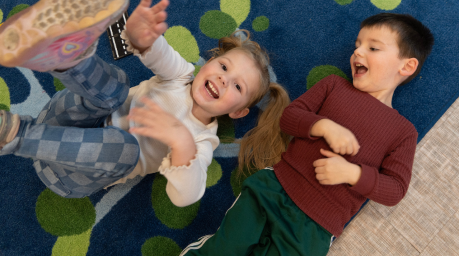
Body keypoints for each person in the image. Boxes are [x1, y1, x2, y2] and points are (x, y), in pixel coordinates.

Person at [0, 0, 290, 207]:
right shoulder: (182, 76)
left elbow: (186, 196)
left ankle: (7, 133)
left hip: (68, 173)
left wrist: (180, 142)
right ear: (210, 63)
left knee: (126, 148)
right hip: (60, 118)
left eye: (237, 86)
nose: (224, 80)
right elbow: (160, 55)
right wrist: (141, 37)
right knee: (117, 89)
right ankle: (67, 59)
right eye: (223, 67)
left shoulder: (200, 141)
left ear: (237, 112)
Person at [180, 13, 434, 255]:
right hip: (275, 188)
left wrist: (353, 173)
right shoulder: (334, 85)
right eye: (358, 45)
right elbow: (290, 117)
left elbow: (395, 189)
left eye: (373, 48)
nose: (357, 51)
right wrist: (324, 126)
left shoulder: (403, 132)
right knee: (224, 249)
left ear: (407, 66)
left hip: (315, 228)